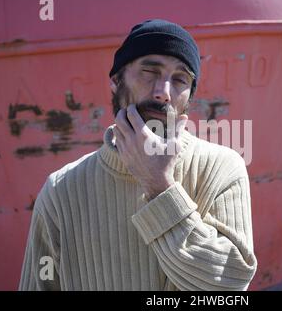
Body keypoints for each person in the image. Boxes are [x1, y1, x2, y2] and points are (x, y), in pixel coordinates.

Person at [19, 19, 257, 291]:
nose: (163, 93)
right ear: (115, 81)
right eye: (149, 71)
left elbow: (229, 287)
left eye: (180, 79)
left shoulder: (223, 169)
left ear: (189, 98)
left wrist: (160, 186)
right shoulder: (60, 191)